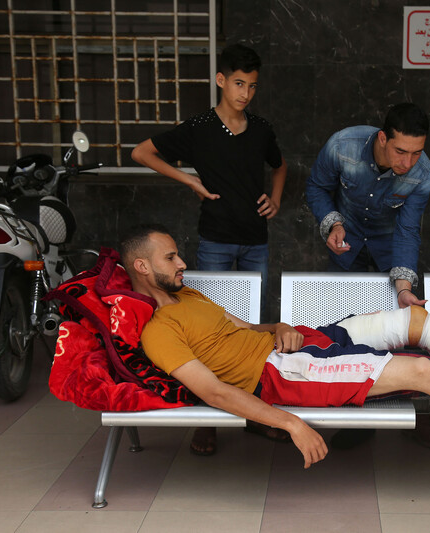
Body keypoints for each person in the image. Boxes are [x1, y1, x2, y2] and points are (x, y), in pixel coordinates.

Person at [119, 225, 430, 469]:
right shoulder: (158, 332)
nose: (182, 261)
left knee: (413, 321)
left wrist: (278, 327)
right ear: (143, 267)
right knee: (419, 372)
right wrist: (292, 422)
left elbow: (247, 325)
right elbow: (214, 392)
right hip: (284, 375)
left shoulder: (189, 295)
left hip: (301, 344)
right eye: (171, 256)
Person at [131, 44, 287, 455]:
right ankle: (208, 420)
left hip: (256, 239)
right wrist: (190, 181)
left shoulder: (261, 128)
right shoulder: (199, 127)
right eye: (238, 83)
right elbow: (141, 152)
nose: (245, 93)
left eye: (252, 86)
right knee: (208, 327)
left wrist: (276, 198)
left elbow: (280, 164)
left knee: (249, 328)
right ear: (221, 80)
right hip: (216, 237)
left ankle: (255, 414)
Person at [306, 103, 430, 448]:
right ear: (382, 138)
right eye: (400, 151)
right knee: (347, 329)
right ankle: (355, 416)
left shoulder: (421, 172)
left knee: (404, 329)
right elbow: (316, 188)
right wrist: (331, 224)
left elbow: (408, 230)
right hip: (344, 241)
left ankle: (419, 412)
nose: (407, 162)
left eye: (416, 152)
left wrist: (404, 288)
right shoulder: (342, 146)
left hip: (388, 247)